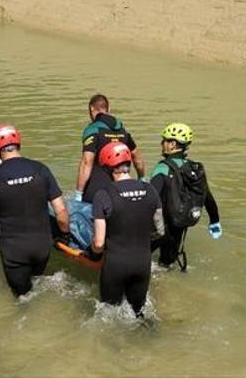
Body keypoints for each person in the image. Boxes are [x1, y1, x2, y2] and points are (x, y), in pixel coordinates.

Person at [0, 124, 71, 297]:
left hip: (14, 252)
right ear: (19, 143)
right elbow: (61, 210)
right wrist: (64, 234)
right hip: (42, 247)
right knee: (39, 286)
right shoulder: (41, 170)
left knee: (22, 300)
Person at [84, 142, 164, 317]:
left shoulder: (103, 195)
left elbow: (98, 242)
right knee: (139, 314)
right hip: (143, 263)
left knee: (109, 316)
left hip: (115, 265)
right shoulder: (149, 190)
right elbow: (160, 230)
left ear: (106, 167)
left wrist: (91, 253)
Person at [150, 123, 221, 271]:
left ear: (173, 144)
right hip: (180, 224)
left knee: (140, 257)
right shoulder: (194, 169)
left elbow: (150, 198)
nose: (162, 144)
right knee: (167, 266)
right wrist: (214, 221)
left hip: (161, 225)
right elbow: (207, 197)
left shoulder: (162, 168)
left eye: (164, 140)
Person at [75, 94, 145, 204]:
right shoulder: (122, 131)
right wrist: (141, 178)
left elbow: (86, 163)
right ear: (108, 109)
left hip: (96, 193)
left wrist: (78, 193)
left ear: (91, 109)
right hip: (121, 190)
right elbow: (137, 159)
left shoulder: (92, 130)